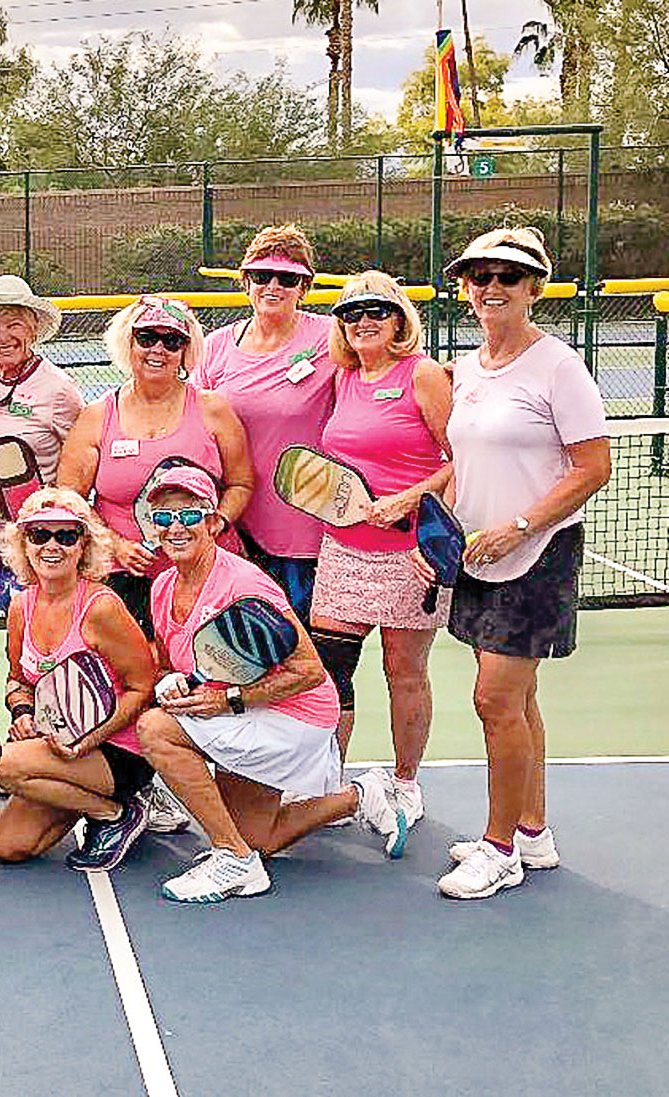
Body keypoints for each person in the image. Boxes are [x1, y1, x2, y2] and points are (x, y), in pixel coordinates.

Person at [424, 227, 610, 900]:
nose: (491, 287)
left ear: (534, 287)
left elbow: (594, 468)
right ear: (464, 288)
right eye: (479, 276)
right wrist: (437, 534)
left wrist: (521, 524)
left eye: (508, 276)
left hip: (537, 553)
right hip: (474, 553)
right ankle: (530, 828)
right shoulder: (467, 369)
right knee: (517, 697)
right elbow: (461, 464)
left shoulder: (558, 366)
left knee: (493, 699)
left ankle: (498, 849)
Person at [134, 468, 408, 904]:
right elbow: (180, 661)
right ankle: (359, 796)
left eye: (188, 515)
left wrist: (228, 700)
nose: (175, 527)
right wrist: (174, 682)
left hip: (292, 716)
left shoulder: (243, 586)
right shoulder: (164, 586)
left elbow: (309, 672)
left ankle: (233, 861)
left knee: (156, 729)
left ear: (212, 521)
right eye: (163, 517)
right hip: (238, 711)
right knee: (259, 836)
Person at [311, 272, 452, 827]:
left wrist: (407, 501)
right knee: (329, 668)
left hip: (410, 551)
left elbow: (460, 457)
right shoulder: (344, 378)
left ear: (398, 320)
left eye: (377, 310)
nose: (364, 320)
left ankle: (405, 783)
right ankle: (327, 782)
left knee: (405, 671)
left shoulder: (421, 374)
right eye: (352, 313)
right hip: (343, 548)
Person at [58, 295, 253, 638]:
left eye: (172, 340)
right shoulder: (97, 416)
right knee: (137, 678)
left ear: (185, 351)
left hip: (205, 570)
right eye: (147, 338)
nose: (158, 349)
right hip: (125, 575)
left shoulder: (213, 409)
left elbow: (241, 484)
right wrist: (116, 544)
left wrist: (216, 523)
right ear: (128, 344)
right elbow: (71, 498)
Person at [0, 490, 157, 872]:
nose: (52, 546)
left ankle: (117, 813)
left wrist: (87, 740)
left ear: (83, 545)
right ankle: (99, 808)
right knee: (9, 846)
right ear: (23, 544)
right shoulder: (19, 607)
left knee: (2, 766)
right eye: (39, 535)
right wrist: (23, 712)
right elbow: (17, 680)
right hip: (58, 743)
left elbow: (142, 689)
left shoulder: (102, 607)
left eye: (65, 536)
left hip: (118, 749)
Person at [198, 224, 336, 620]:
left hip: (303, 531)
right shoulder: (216, 347)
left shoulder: (331, 338)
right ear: (246, 282)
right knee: (243, 658)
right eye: (262, 276)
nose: (273, 286)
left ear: (304, 287)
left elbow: (388, 366)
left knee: (312, 661)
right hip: (231, 528)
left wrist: (449, 376)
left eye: (288, 278)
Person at [0, 274, 83, 615]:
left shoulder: (58, 389)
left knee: (43, 629)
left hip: (44, 543)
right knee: (11, 630)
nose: (3, 337)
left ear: (33, 328)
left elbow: (85, 462)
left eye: (14, 325)